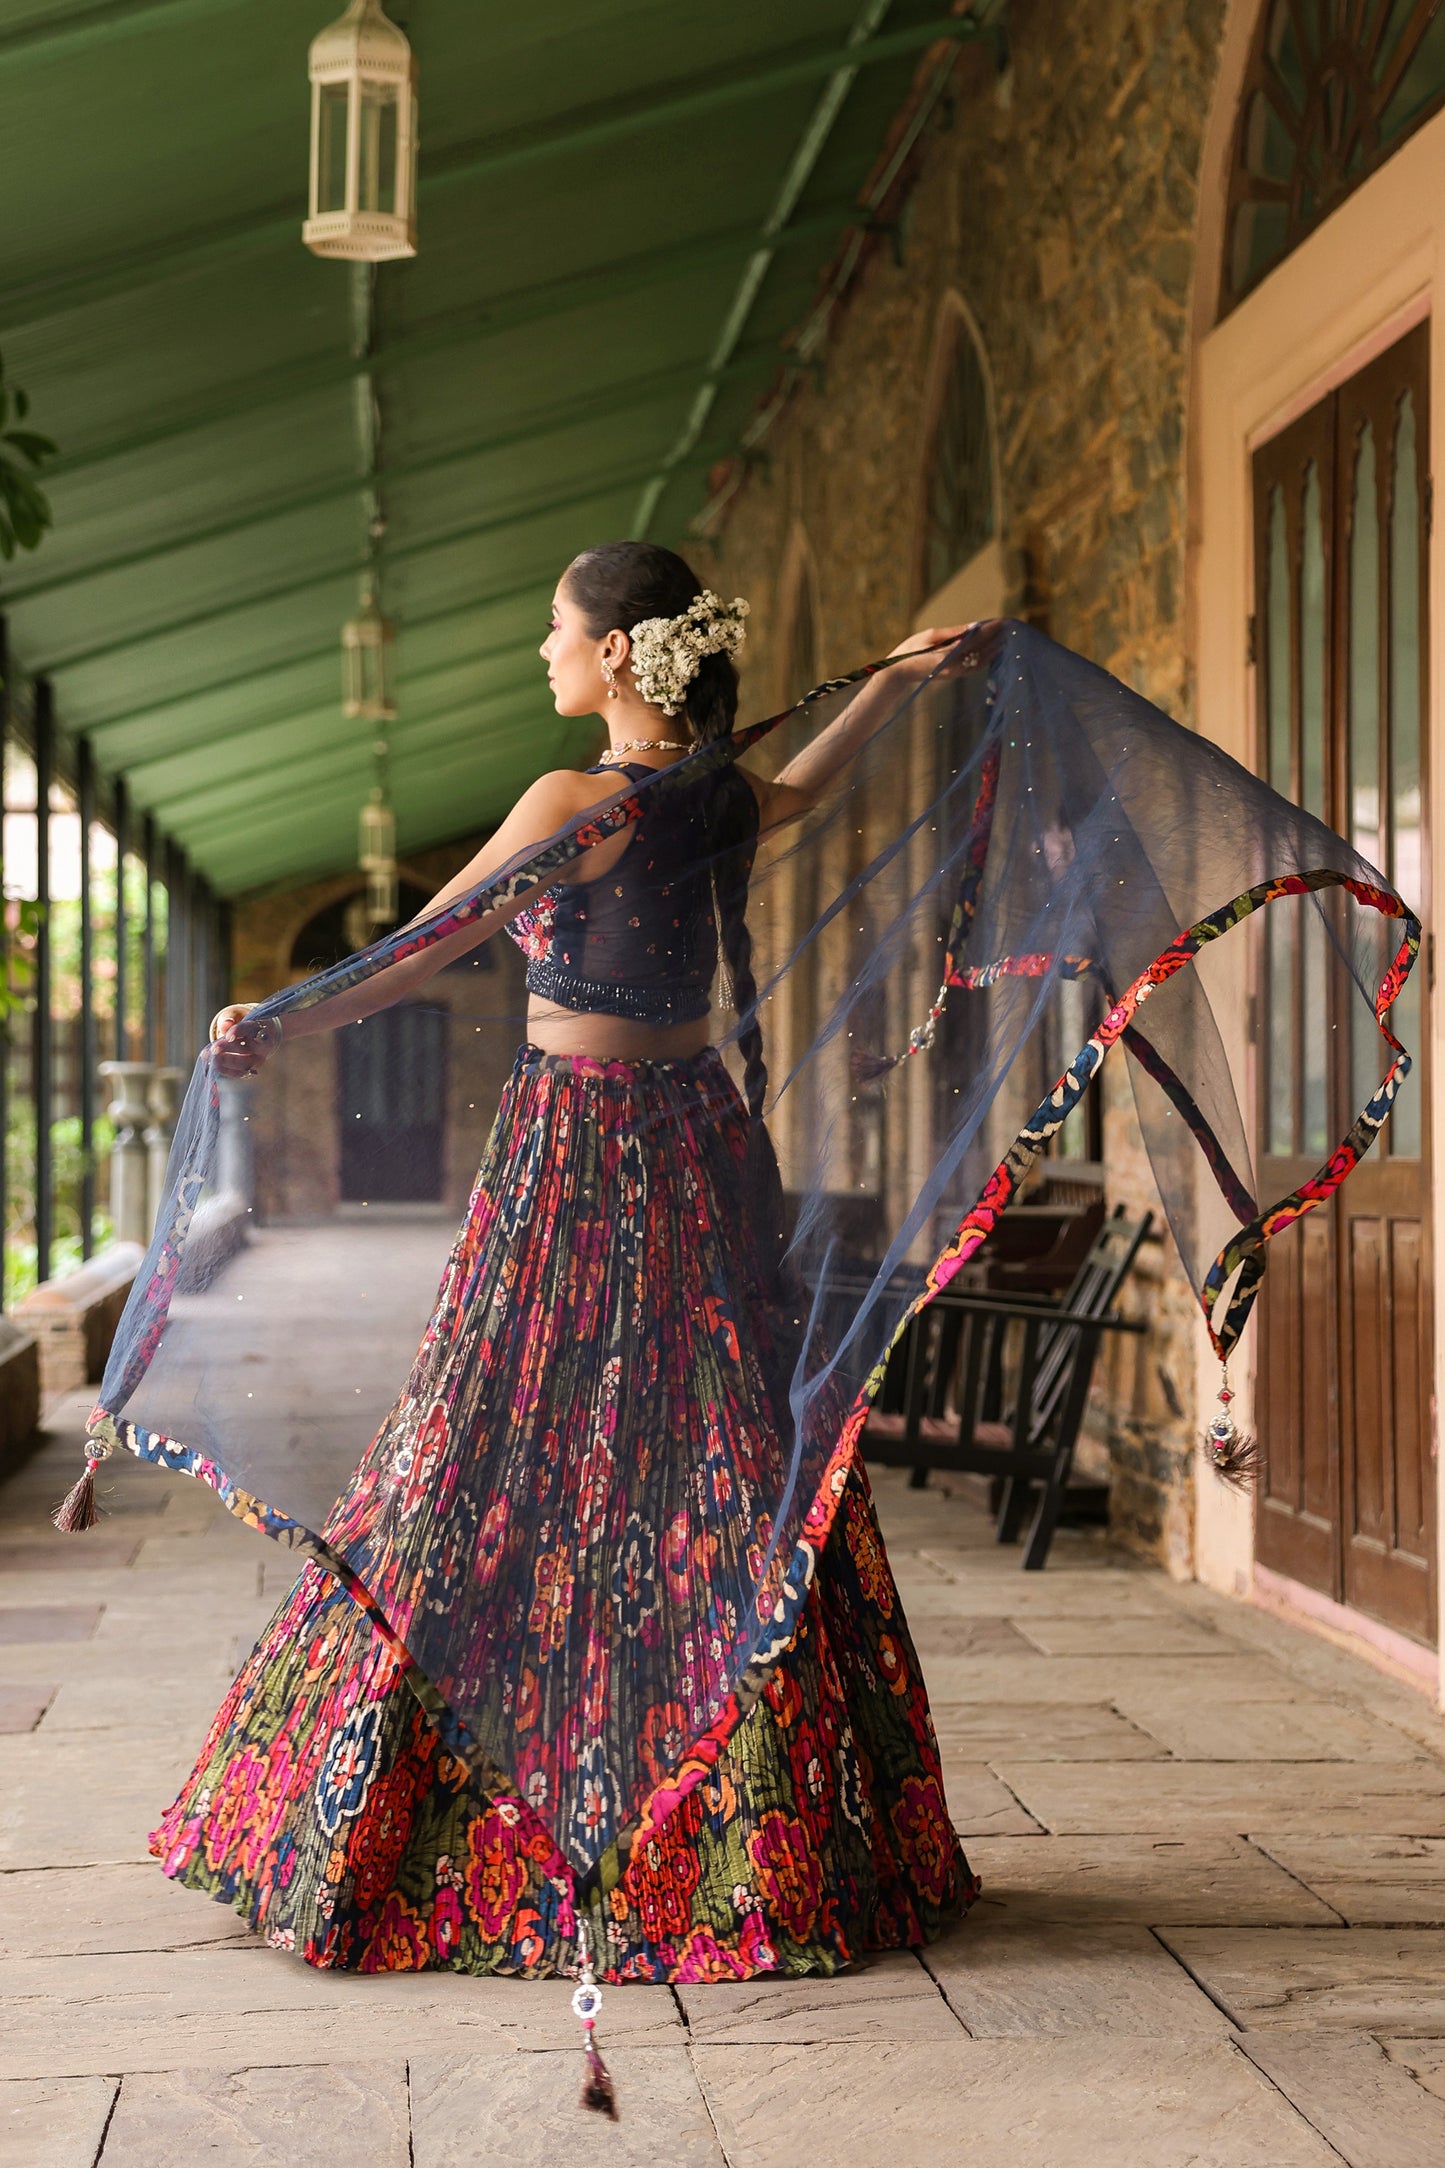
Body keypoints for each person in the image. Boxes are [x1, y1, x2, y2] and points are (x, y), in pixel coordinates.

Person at [152, 543, 977, 2036]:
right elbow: (809, 798)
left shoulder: (568, 798)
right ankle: (784, 1851)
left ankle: (452, 1821)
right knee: (726, 1458)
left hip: (581, 1148)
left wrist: (276, 1019)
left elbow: (427, 940)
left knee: (483, 1450)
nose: (542, 653)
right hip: (695, 1142)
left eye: (554, 630)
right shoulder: (709, 791)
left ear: (615, 653)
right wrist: (898, 685)